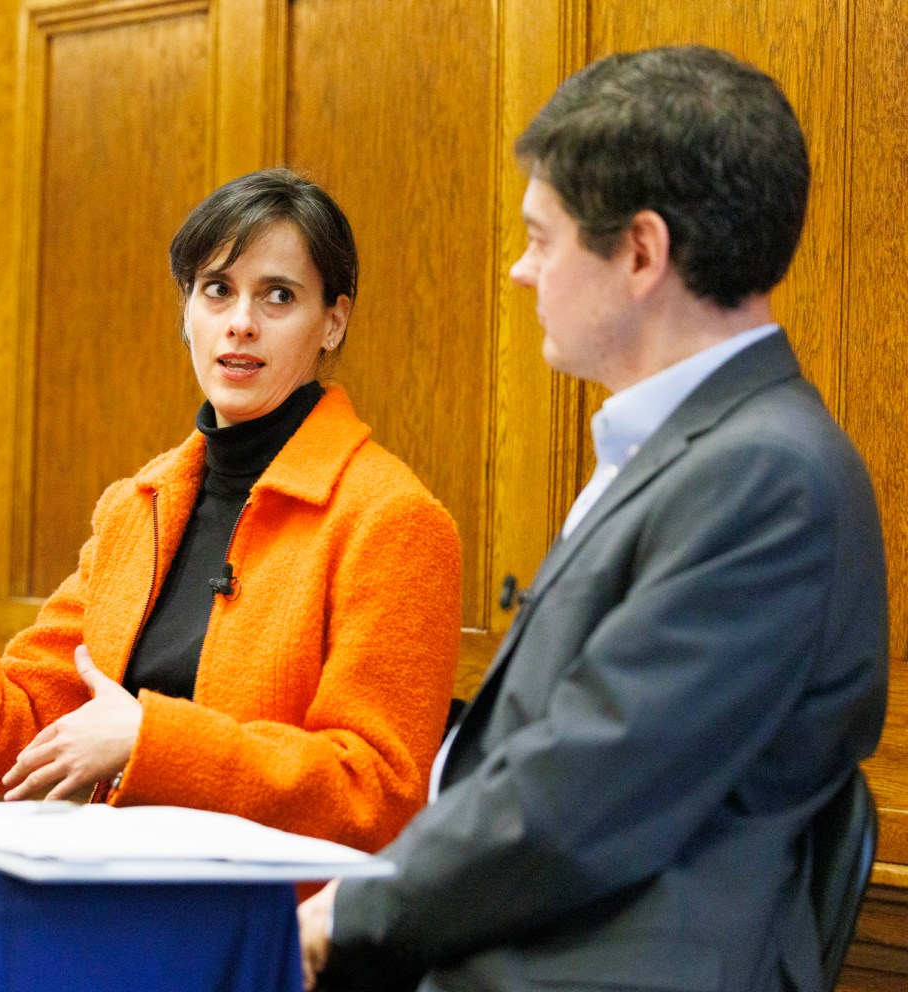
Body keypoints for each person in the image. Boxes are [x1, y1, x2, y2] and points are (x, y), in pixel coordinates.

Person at [298, 46, 889, 992]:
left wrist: (345, 915)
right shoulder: (687, 454)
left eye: (542, 238)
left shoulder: (766, 480)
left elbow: (582, 795)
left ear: (642, 252)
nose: (519, 270)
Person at [0, 169, 462, 851]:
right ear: (187, 310)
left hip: (269, 933)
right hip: (108, 904)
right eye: (217, 290)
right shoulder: (138, 508)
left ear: (333, 321)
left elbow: (376, 798)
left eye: (278, 297)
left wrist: (147, 740)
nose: (241, 323)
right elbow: (16, 742)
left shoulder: (391, 519)